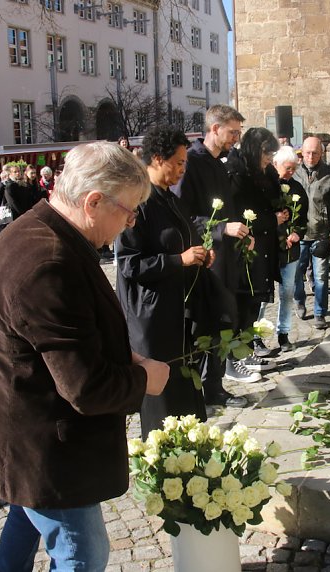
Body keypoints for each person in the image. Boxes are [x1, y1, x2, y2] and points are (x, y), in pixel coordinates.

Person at [0, 141, 169, 571]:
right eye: (128, 210)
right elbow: (86, 388)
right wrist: (148, 381)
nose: (131, 222)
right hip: (40, 446)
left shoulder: (42, 228)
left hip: (19, 435)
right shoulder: (48, 260)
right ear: (93, 202)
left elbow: (56, 339)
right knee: (82, 555)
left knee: (26, 519)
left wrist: (120, 353)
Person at [116, 126, 214, 437]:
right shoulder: (136, 202)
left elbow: (183, 240)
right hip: (151, 318)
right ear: (158, 159)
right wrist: (179, 260)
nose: (183, 170)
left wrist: (200, 256)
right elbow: (129, 263)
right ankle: (165, 460)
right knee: (163, 399)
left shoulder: (171, 199)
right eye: (179, 162)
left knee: (184, 391)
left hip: (176, 311)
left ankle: (189, 457)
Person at [176, 104, 257, 405]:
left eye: (238, 132)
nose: (236, 137)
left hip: (225, 257)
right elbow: (184, 216)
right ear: (214, 128)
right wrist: (225, 227)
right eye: (233, 131)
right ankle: (204, 390)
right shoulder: (192, 163)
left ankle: (215, 387)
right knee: (208, 324)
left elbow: (227, 209)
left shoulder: (220, 162)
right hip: (204, 260)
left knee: (224, 321)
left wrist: (242, 236)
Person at [226, 127, 283, 368]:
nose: (270, 159)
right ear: (255, 150)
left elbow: (272, 197)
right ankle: (237, 356)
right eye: (267, 154)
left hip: (264, 246)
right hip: (246, 248)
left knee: (253, 304)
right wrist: (273, 220)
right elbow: (239, 215)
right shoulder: (238, 172)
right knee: (243, 303)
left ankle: (247, 351)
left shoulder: (265, 171)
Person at [293, 136, 330, 330]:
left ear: (321, 153)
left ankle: (319, 313)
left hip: (322, 235)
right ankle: (299, 300)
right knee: (296, 274)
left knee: (321, 277)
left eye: (315, 153)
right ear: (302, 152)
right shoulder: (294, 173)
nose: (311, 156)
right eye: (307, 152)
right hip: (299, 235)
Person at [267, 146, 308, 351]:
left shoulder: (298, 188)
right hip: (270, 247)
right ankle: (256, 336)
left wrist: (296, 233)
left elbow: (303, 219)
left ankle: (283, 333)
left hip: (290, 250)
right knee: (263, 295)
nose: (291, 172)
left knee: (287, 292)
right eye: (287, 168)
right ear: (275, 164)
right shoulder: (266, 185)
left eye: (294, 169)